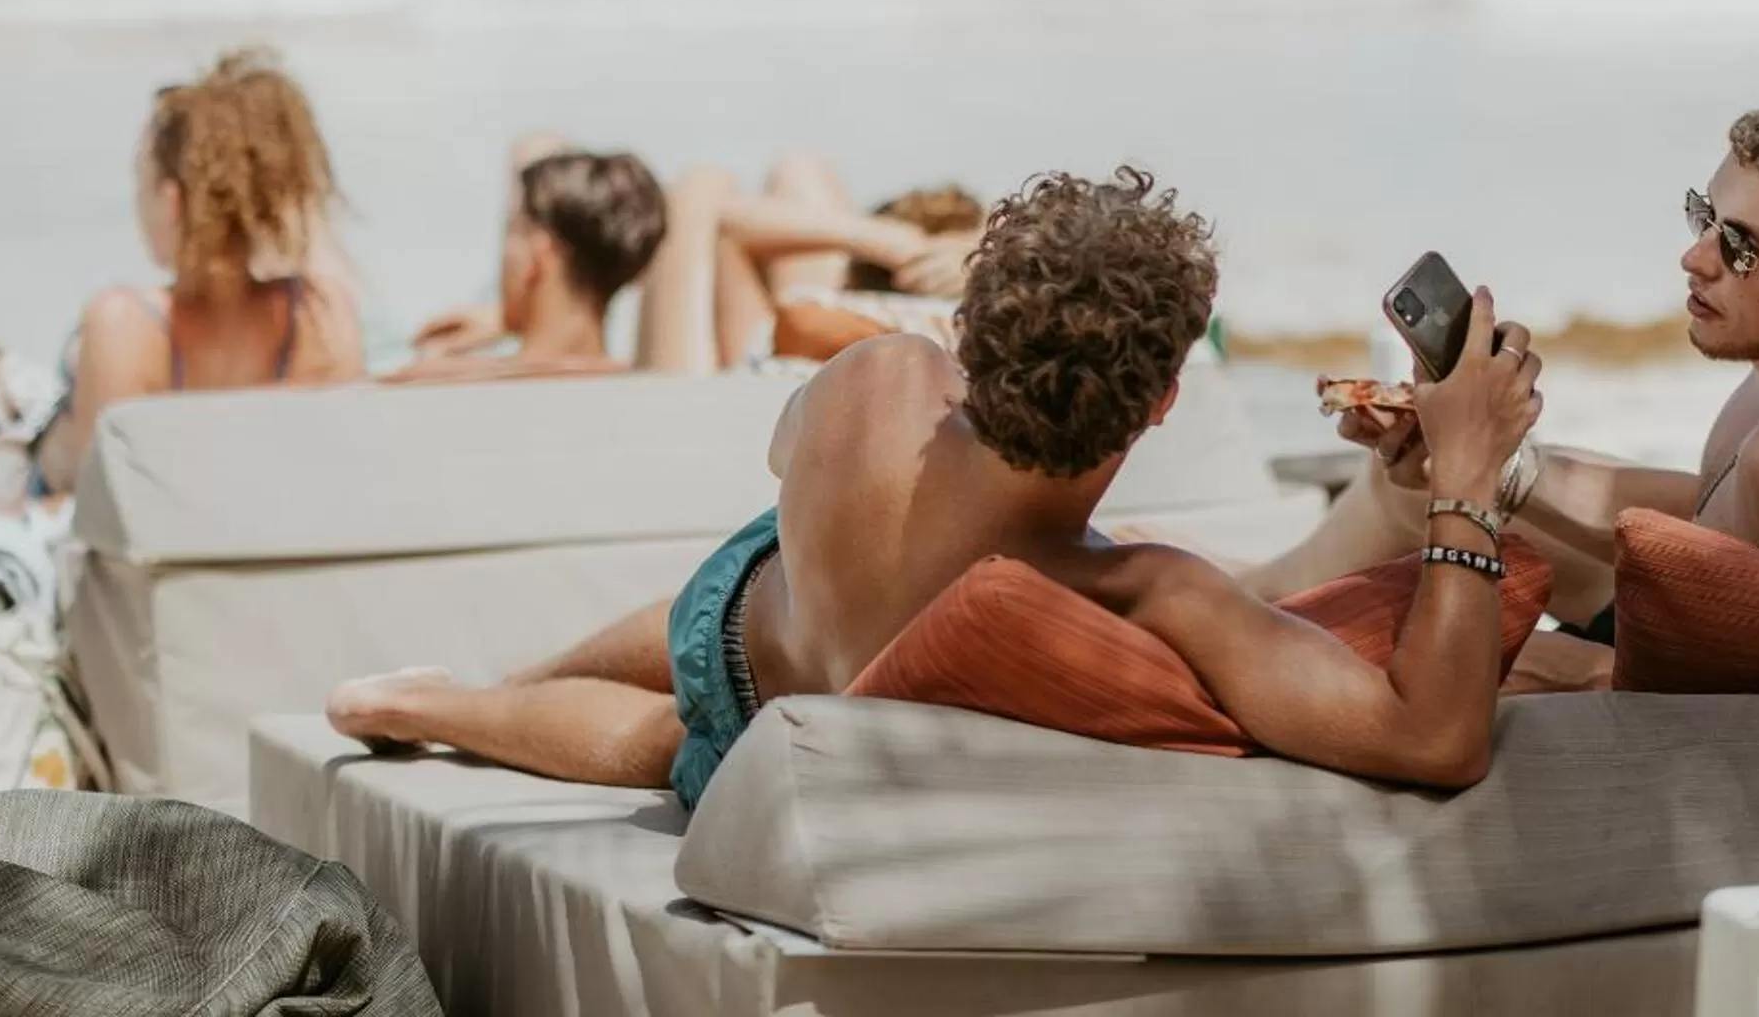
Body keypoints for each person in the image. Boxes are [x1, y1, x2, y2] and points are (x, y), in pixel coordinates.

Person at [328, 167, 1546, 799]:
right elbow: (1431, 740)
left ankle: (466, 697)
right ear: (1165, 397)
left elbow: (781, 455)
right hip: (779, 732)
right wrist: (1469, 481)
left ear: (981, 322)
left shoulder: (882, 376)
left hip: (746, 619)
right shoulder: (1138, 590)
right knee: (669, 744)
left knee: (753, 584)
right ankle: (440, 708)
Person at [1254, 94, 1759, 690]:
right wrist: (1496, 465)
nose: (1695, 257)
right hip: (1703, 615)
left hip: (1682, 675)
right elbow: (1720, 520)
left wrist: (1562, 666)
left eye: (1743, 248)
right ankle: (1257, 600)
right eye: (1704, 218)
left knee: (1414, 591)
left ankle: (1245, 627)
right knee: (1416, 487)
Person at [31, 49, 363, 496]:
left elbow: (101, 514)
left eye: (140, 185)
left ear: (172, 203)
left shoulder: (125, 324)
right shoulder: (327, 316)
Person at [636, 153, 985, 373]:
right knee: (798, 170)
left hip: (767, 374)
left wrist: (891, 242)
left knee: (700, 186)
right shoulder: (990, 317)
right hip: (813, 353)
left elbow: (721, 220)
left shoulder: (815, 313)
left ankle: (869, 238)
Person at [394, 138, 670, 382]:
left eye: (511, 232)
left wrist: (434, 353)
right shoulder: (641, 379)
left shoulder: (437, 380)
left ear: (538, 253)